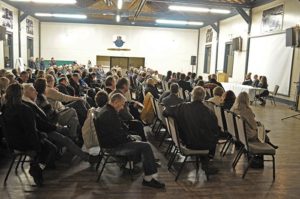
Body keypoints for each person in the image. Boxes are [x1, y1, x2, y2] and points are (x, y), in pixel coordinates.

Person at [95, 93, 165, 189]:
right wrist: (130, 139)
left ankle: (129, 166)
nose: (123, 107)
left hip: (111, 142)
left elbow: (118, 130)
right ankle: (149, 179)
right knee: (146, 146)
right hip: (113, 147)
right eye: (122, 104)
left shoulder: (107, 110)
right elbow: (118, 136)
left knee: (138, 138)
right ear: (116, 102)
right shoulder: (109, 114)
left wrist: (130, 137)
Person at [22, 83, 100, 164]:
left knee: (71, 123)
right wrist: (56, 127)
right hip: (43, 131)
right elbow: (41, 123)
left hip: (48, 125)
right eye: (33, 90)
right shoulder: (30, 105)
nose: (36, 92)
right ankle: (85, 155)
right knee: (67, 136)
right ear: (26, 93)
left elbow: (46, 117)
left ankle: (75, 142)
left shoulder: (32, 102)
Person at [2, 83, 57, 186]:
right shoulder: (25, 109)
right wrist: (38, 143)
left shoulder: (4, 109)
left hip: (12, 142)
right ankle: (36, 168)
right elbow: (30, 131)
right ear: (21, 94)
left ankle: (36, 166)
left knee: (45, 142)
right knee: (51, 148)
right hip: (26, 142)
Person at [163, 86, 219, 174]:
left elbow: (165, 111)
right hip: (202, 145)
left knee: (203, 136)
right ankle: (206, 163)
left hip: (185, 141)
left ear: (192, 95)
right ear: (204, 97)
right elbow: (215, 132)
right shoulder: (209, 112)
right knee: (210, 138)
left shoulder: (182, 107)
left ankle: (205, 162)